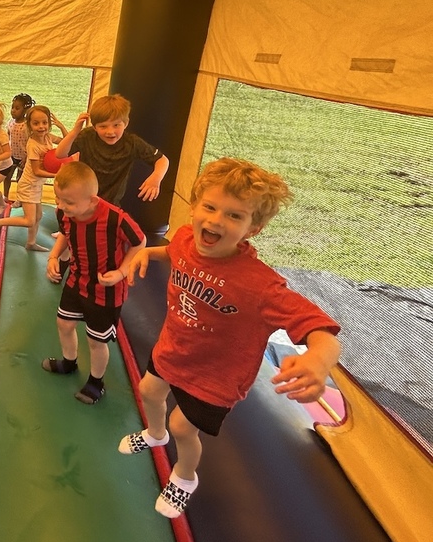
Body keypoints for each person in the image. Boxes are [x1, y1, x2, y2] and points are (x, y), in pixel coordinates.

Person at [120, 157, 341, 518]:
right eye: (209, 207)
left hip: (215, 377)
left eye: (234, 216)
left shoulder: (259, 285)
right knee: (148, 391)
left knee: (182, 426)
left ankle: (184, 476)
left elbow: (323, 329)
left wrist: (317, 359)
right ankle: (155, 435)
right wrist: (148, 252)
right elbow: (174, 253)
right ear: (194, 207)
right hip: (174, 349)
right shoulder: (186, 238)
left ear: (254, 228)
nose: (215, 220)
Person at [43, 162, 145, 404]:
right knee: (64, 324)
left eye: (68, 202)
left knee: (96, 340)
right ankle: (69, 362)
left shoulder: (115, 219)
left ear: (92, 200)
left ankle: (96, 382)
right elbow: (66, 237)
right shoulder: (64, 213)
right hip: (77, 280)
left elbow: (140, 244)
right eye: (58, 199)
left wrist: (121, 272)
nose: (61, 206)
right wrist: (52, 256)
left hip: (106, 291)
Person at [53, 94, 169, 207]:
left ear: (126, 123)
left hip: (110, 204)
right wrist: (74, 131)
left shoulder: (132, 143)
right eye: (103, 126)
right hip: (82, 199)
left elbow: (162, 160)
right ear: (95, 127)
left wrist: (156, 178)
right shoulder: (87, 136)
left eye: (116, 125)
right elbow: (60, 154)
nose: (110, 132)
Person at [0, 104, 67, 251]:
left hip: (37, 185)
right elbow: (36, 171)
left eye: (44, 122)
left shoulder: (48, 137)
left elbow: (66, 141)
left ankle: (30, 243)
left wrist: (61, 126)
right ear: (29, 125)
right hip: (28, 185)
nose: (41, 126)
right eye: (36, 123)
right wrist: (57, 174)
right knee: (30, 220)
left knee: (37, 217)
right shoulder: (33, 144)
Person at [2, 93, 35, 200]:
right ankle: (5, 196)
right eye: (12, 107)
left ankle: (20, 198)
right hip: (11, 156)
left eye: (17, 108)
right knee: (7, 176)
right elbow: (7, 136)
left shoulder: (27, 126)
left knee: (21, 180)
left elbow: (31, 143)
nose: (13, 110)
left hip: (23, 158)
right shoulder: (11, 123)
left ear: (26, 110)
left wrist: (26, 157)